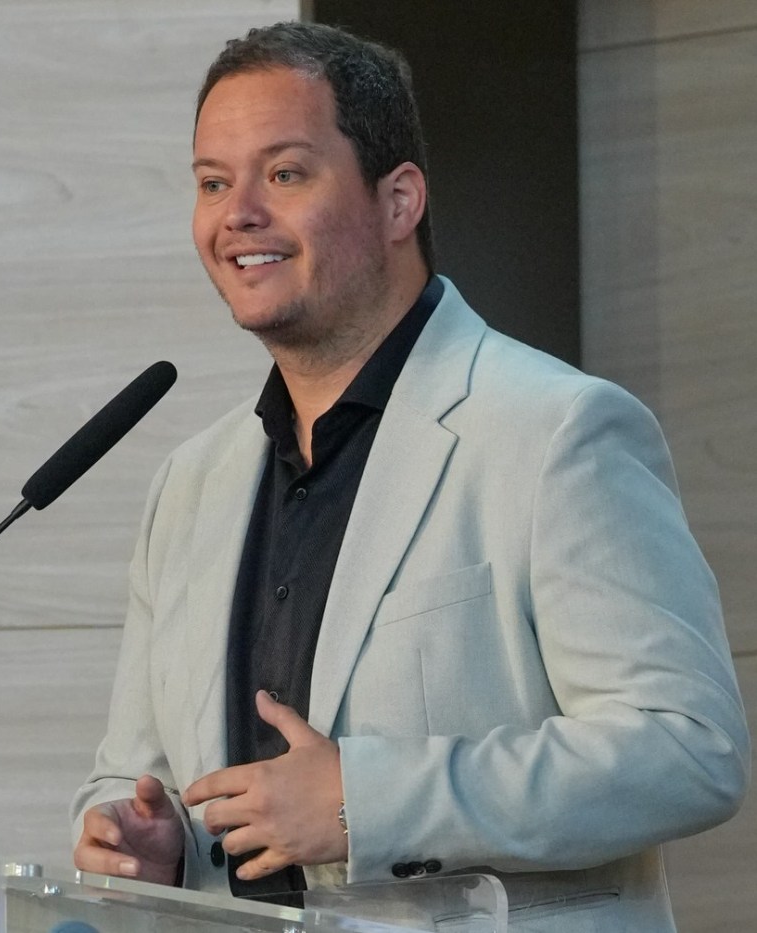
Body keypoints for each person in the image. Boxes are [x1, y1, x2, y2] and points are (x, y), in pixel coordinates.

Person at [71, 21, 750, 931]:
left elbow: (687, 748)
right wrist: (148, 841)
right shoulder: (189, 484)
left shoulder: (555, 429)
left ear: (397, 202)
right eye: (211, 182)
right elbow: (133, 775)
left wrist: (365, 800)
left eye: (285, 174)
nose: (237, 215)